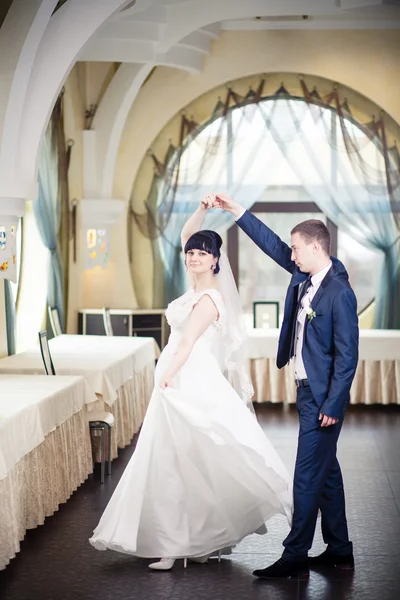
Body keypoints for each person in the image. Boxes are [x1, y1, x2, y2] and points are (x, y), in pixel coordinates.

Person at [89, 195, 292, 571]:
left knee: (179, 458)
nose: (194, 256)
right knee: (173, 458)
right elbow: (186, 234)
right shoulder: (195, 285)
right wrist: (202, 209)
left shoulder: (211, 298)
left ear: (216, 260)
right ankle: (187, 539)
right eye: (192, 253)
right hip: (176, 376)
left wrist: (166, 375)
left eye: (202, 253)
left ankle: (177, 544)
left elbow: (185, 343)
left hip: (188, 378)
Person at [213, 192, 359, 580]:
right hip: (306, 391)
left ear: (315, 247)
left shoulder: (339, 293)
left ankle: (294, 554)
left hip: (323, 398)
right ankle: (340, 551)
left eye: (297, 249)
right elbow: (273, 245)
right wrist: (236, 211)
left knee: (307, 474)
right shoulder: (303, 274)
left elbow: (347, 357)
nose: (290, 255)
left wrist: (332, 404)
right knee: (326, 473)